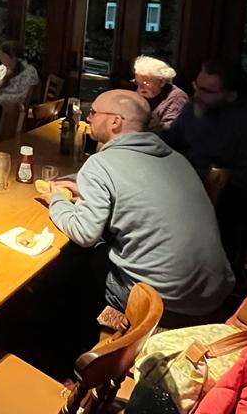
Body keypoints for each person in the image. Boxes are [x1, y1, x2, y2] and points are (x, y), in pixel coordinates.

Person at [47, 89, 235, 317]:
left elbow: (84, 233)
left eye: (93, 112)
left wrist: (55, 198)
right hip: (213, 295)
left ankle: (70, 334)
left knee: (86, 257)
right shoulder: (177, 160)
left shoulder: (101, 164)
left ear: (115, 122)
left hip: (163, 304)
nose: (88, 117)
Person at [164, 60, 247, 269]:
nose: (197, 94)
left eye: (206, 90)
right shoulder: (196, 106)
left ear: (231, 94)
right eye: (196, 86)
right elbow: (172, 143)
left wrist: (200, 181)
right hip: (187, 186)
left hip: (232, 201)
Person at [132, 55, 189, 132]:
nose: (140, 88)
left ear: (161, 82)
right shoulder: (141, 92)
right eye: (137, 82)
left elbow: (171, 130)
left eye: (146, 83)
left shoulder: (177, 97)